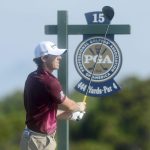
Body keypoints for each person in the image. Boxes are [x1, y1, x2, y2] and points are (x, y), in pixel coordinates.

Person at [20, 41, 86, 150]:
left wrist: (71, 115)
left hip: (32, 139)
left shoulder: (32, 76)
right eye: (55, 55)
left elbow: (43, 113)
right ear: (44, 58)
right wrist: (79, 107)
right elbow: (70, 106)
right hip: (40, 142)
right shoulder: (50, 82)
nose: (59, 58)